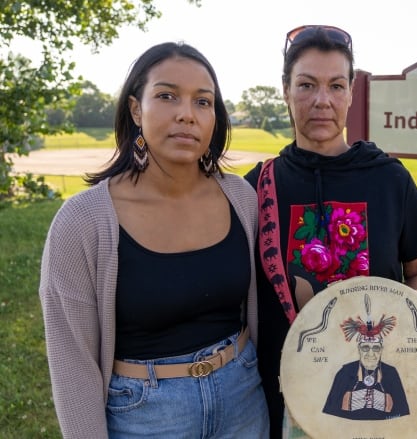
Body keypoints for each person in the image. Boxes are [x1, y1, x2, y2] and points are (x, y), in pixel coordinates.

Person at [39, 42, 269, 438]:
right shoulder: (82, 222)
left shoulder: (242, 198)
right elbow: (71, 361)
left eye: (203, 101)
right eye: (166, 96)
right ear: (134, 109)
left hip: (244, 399)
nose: (186, 113)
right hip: (145, 416)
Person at [244, 25, 417, 438]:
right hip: (285, 401)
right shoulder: (256, 187)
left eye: (336, 85)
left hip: (379, 395)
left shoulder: (389, 179)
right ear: (285, 89)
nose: (322, 100)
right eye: (306, 85)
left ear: (351, 92)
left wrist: (400, 335)